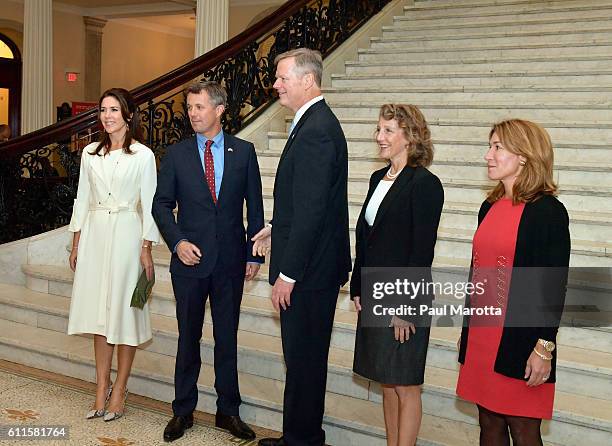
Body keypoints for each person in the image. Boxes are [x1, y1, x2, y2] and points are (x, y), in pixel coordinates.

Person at [152, 81, 264, 442]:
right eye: (189, 107)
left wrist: (253, 254)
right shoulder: (177, 154)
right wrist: (178, 241)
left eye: (199, 107)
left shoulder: (244, 152)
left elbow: (255, 208)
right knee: (188, 338)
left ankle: (228, 411)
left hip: (231, 262)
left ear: (219, 110)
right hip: (189, 262)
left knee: (226, 338)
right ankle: (183, 410)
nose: (192, 113)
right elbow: (161, 204)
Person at [252, 48, 352, 446]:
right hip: (309, 265)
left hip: (309, 274)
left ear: (307, 80)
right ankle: (298, 435)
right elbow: (309, 201)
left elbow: (312, 212)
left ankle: (304, 440)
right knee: (300, 361)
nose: (275, 84)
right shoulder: (311, 123)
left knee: (306, 363)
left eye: (282, 77)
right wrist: (276, 228)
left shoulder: (317, 129)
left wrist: (288, 274)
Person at [456, 119, 571, 445]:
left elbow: (553, 284)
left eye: (497, 147)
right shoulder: (489, 206)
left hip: (521, 339)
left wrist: (544, 346)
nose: (487, 155)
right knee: (488, 423)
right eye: (489, 146)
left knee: (523, 429)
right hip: (482, 335)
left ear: (523, 156)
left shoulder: (548, 211)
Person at [350, 104, 444, 446]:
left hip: (404, 296)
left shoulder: (425, 184)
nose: (380, 137)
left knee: (405, 383)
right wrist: (358, 285)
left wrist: (404, 307)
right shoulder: (379, 178)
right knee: (386, 381)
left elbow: (422, 251)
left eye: (388, 130)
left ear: (411, 136)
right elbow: (365, 237)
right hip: (375, 292)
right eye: (378, 129)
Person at [67, 88, 160, 421]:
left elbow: (150, 204)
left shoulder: (143, 156)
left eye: (114, 110)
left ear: (128, 115)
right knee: (99, 318)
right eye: (103, 110)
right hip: (95, 236)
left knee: (125, 315)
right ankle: (99, 386)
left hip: (127, 237)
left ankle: (120, 387)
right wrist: (76, 243)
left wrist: (147, 248)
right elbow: (82, 198)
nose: (107, 116)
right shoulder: (90, 153)